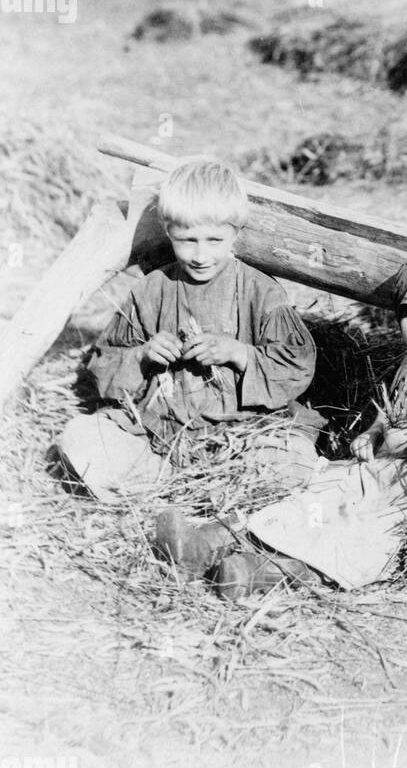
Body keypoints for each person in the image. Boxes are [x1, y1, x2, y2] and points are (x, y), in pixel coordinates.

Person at [55, 158, 320, 574]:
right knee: (81, 440)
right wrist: (143, 355)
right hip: (162, 441)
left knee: (296, 463)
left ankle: (210, 531)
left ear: (236, 232)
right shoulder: (153, 288)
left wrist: (239, 353)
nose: (200, 255)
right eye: (187, 240)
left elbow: (297, 365)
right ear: (168, 233)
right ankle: (180, 509)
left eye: (214, 240)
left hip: (242, 440)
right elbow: (103, 362)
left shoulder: (260, 290)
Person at [212, 240, 407, 598]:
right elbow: (393, 409)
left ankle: (270, 571)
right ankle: (221, 538)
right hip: (383, 475)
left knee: (356, 531)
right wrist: (372, 433)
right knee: (321, 496)